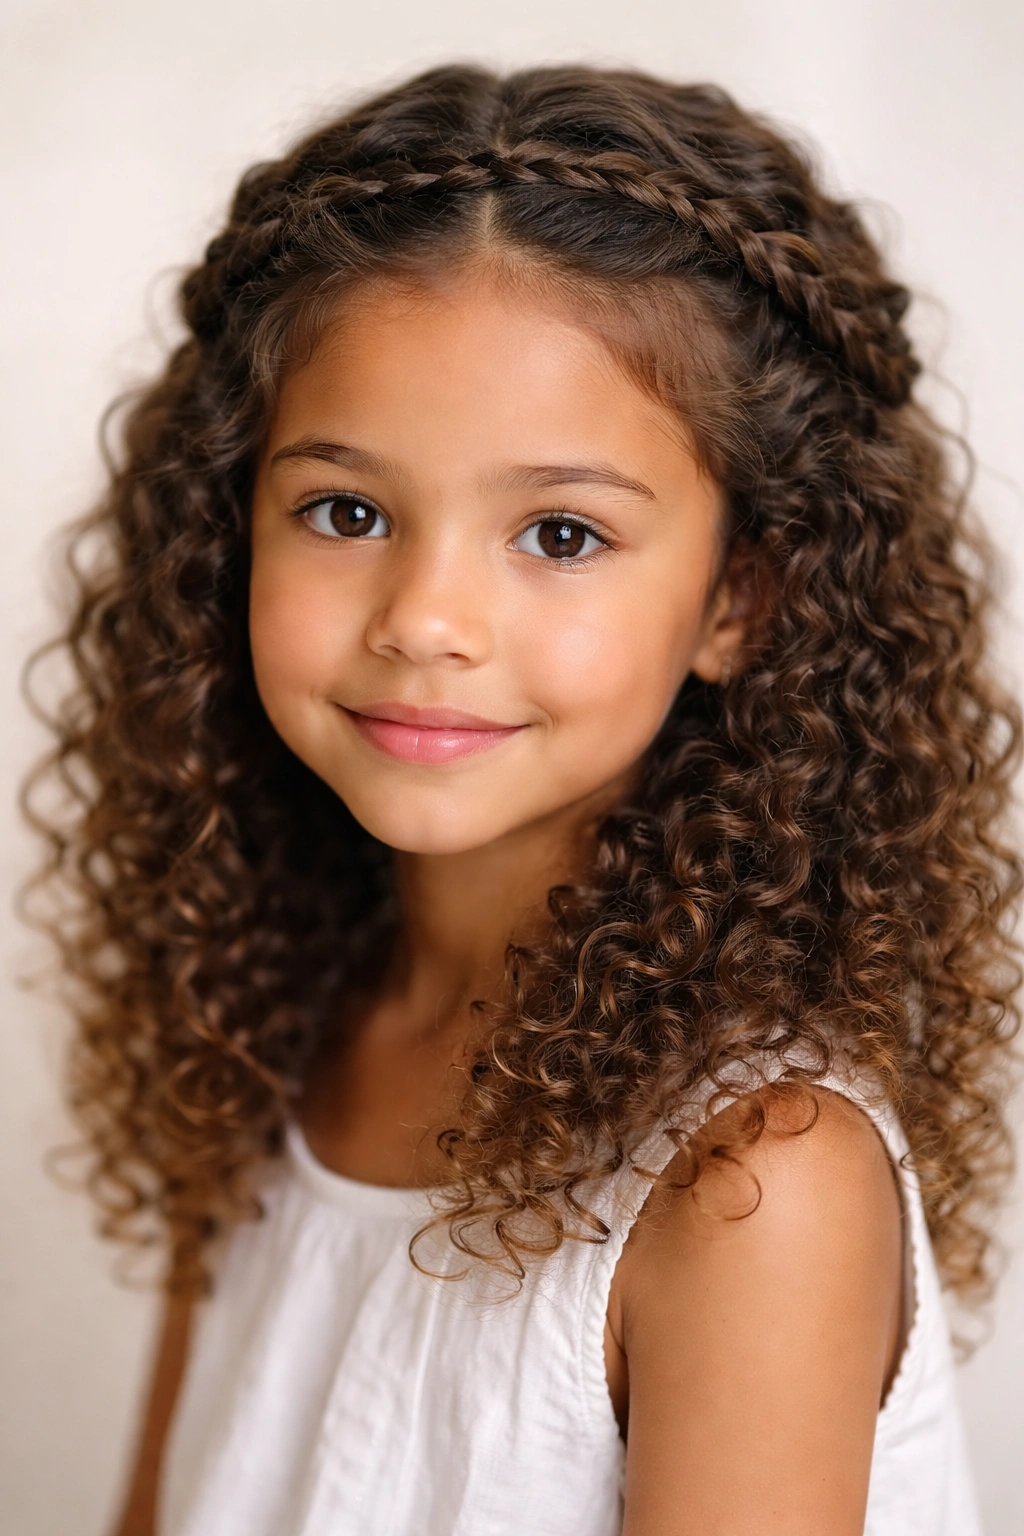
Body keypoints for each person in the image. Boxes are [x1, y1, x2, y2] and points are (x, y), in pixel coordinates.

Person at [30, 63, 1021, 1536]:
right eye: (346, 512)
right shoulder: (270, 1007)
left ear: (738, 598)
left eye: (560, 533)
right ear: (225, 533)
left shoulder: (757, 1177)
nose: (427, 618)